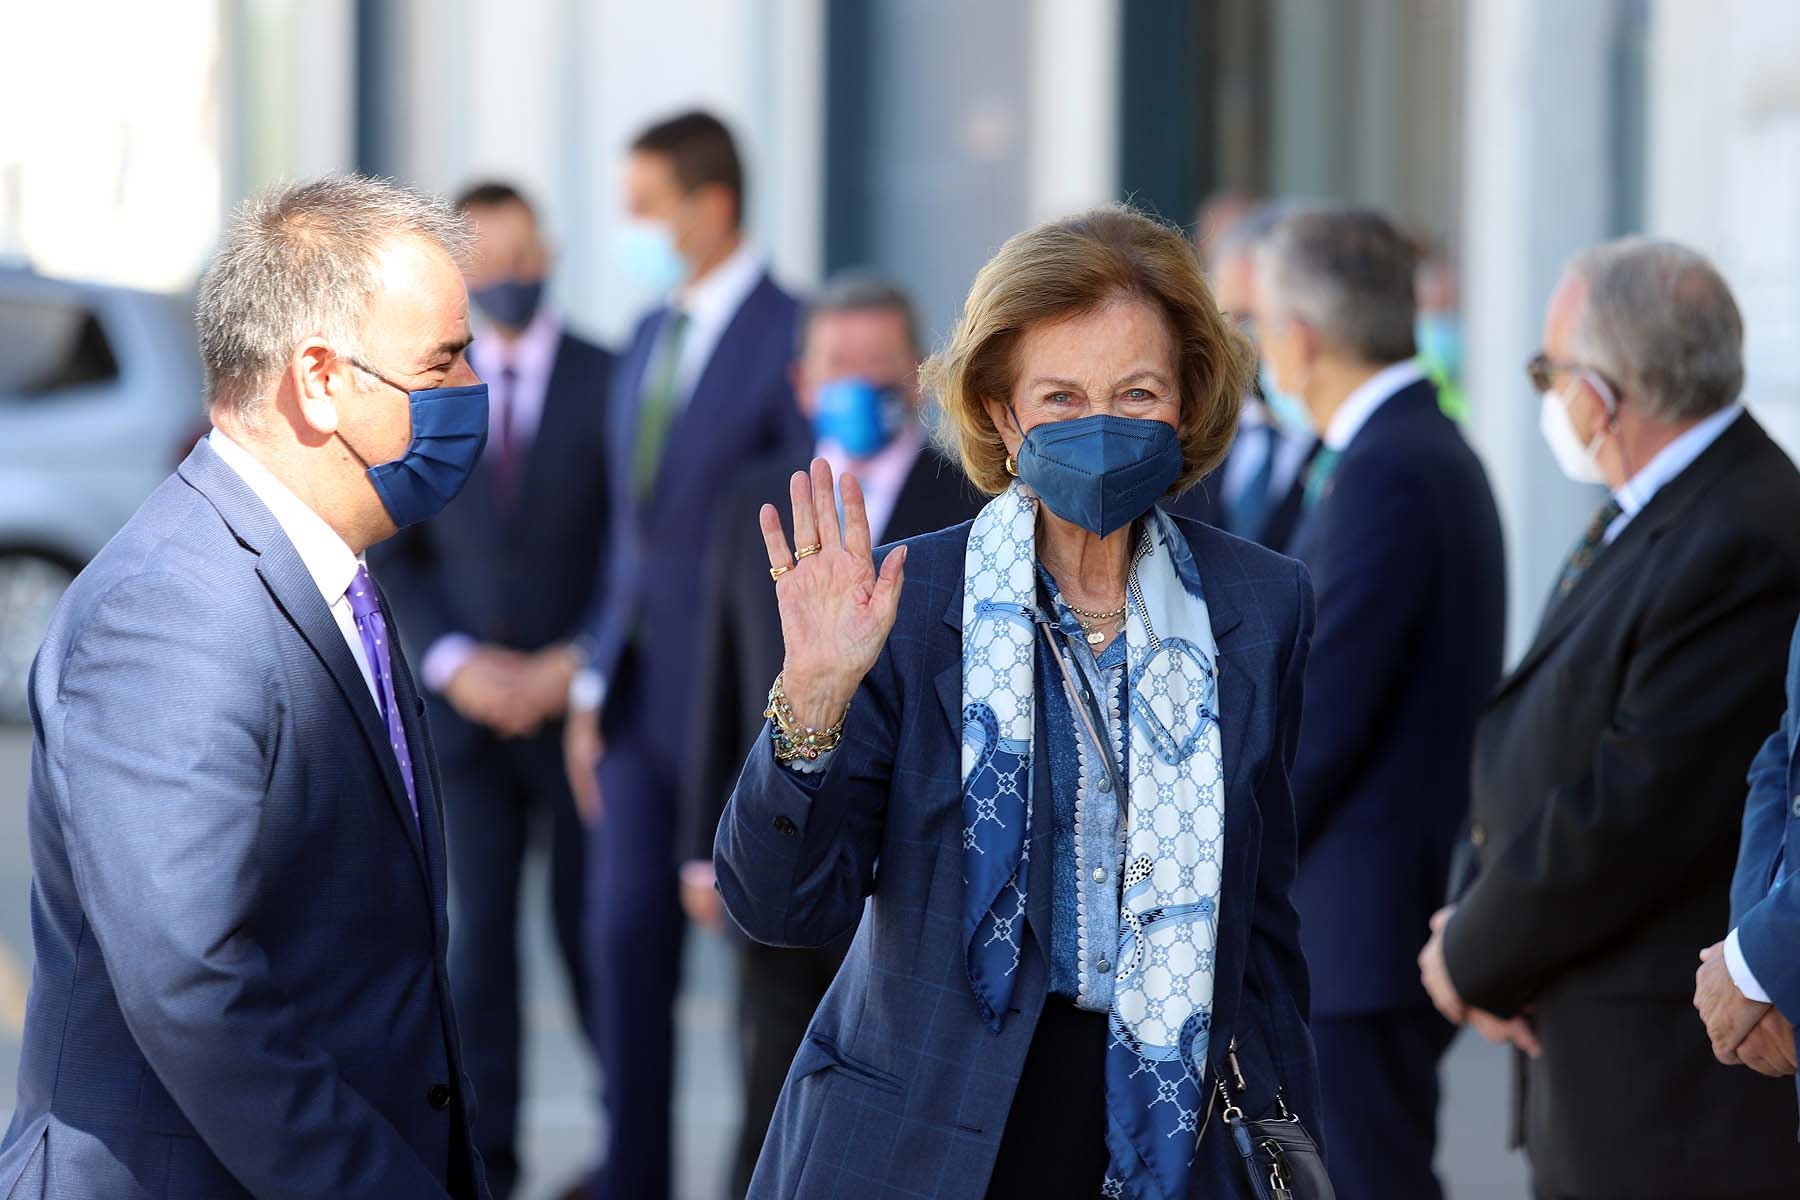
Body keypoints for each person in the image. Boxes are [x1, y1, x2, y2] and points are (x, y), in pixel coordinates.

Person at [715, 206, 1322, 1198]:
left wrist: (1292, 1148)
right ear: (1001, 411)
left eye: (1137, 392)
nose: (1102, 423)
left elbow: (1263, 928)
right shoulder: (907, 602)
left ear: (1187, 404)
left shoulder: (1262, 604)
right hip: (923, 1128)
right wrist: (813, 697)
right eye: (1061, 395)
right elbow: (780, 904)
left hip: (1166, 1134)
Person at [0, 176, 491, 1198]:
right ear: (317, 380)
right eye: (442, 361)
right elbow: (193, 987)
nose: (473, 387)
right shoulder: (169, 610)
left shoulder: (328, 568)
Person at [1419, 237, 1800, 1199]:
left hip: (1669, 1079)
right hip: (1590, 1038)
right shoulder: (1657, 504)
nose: (1548, 396)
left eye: (1549, 372)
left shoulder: (1745, 529)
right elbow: (1538, 727)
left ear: (1603, 392)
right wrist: (1474, 915)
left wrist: (1473, 953)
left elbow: (1637, 801)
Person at [680, 272, 982, 1197]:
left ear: (919, 380)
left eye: (879, 366)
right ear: (803, 383)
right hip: (787, 844)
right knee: (773, 1100)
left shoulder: (967, 506)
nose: (858, 383)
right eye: (837, 365)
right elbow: (720, 678)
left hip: (915, 870)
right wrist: (704, 847)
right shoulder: (751, 506)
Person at [562, 109, 809, 1200]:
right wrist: (588, 676)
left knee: (758, 978)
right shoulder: (649, 336)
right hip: (629, 707)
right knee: (621, 953)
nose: (630, 229)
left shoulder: (791, 334)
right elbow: (633, 533)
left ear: (711, 207)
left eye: (645, 208)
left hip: (734, 712)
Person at [1250, 206, 1506, 1200]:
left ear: (1301, 339)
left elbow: (1316, 724)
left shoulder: (1388, 470)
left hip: (1352, 947)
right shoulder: (1416, 450)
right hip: (1364, 933)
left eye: (1262, 323)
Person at [369, 179, 611, 1200]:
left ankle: (623, 1152)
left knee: (592, 943)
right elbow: (393, 539)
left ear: (548, 248)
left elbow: (636, 548)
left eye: (522, 254)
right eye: (488, 263)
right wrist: (455, 662)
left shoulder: (610, 374)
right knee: (475, 965)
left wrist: (578, 662)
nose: (509, 276)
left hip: (580, 722)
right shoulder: (425, 389)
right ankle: (491, 1166)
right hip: (461, 724)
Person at [1168, 200, 1316, 551]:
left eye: (1258, 318)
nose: (1245, 337)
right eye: (1232, 317)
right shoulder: (1184, 436)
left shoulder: (1349, 447)